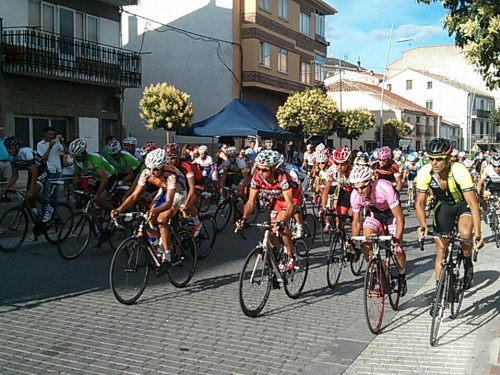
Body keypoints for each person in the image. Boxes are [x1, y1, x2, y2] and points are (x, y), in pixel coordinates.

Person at [415, 138, 484, 314]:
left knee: (465, 232)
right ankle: (440, 293)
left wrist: (479, 233)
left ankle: (467, 261)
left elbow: (474, 204)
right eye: (431, 158)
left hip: (463, 204)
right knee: (441, 250)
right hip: (444, 205)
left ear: (448, 158)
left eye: (438, 159)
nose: (434, 163)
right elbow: (419, 204)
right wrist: (423, 225)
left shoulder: (459, 170)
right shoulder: (425, 172)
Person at [112, 148, 187, 264]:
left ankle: (167, 256)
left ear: (162, 167)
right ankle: (157, 244)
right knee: (147, 219)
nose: (152, 172)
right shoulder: (146, 172)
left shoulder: (171, 175)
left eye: (156, 169)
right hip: (164, 190)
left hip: (178, 193)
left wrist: (155, 211)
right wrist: (119, 209)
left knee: (162, 220)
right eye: (150, 168)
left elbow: (168, 202)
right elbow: (134, 196)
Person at [349, 165, 408, 296]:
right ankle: (375, 269)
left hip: (391, 214)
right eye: (356, 188)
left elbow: (399, 217)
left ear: (370, 182)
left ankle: (402, 275)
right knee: (366, 239)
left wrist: (397, 241)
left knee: (396, 250)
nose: (360, 191)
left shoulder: (384, 188)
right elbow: (356, 222)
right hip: (375, 214)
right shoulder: (355, 196)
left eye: (363, 187)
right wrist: (353, 242)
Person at [236, 150, 299, 271]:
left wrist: (283, 221)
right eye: (258, 168)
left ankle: (291, 256)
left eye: (264, 170)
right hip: (277, 199)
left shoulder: (282, 178)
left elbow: (290, 204)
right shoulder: (257, 178)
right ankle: (277, 254)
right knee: (269, 228)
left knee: (280, 223)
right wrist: (243, 218)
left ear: (273, 168)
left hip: (291, 198)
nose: (260, 172)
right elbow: (250, 202)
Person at [0, 136, 54, 222]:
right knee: (28, 198)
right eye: (6, 148)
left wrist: (31, 191)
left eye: (10, 148)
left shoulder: (26, 152)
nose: (8, 150)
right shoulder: (12, 158)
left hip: (42, 170)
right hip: (32, 172)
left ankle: (49, 208)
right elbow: (14, 176)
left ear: (16, 147)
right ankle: (37, 218)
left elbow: (35, 173)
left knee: (33, 192)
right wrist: (6, 188)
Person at [68, 138, 117, 212]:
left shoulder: (94, 159)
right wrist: (71, 188)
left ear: (84, 153)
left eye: (77, 156)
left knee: (99, 199)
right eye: (74, 156)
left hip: (110, 178)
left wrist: (97, 195)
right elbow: (77, 176)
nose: (76, 159)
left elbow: (104, 180)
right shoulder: (76, 161)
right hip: (98, 179)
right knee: (90, 200)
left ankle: (115, 214)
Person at [165, 143, 202, 236]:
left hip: (194, 186)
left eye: (172, 158)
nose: (170, 161)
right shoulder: (166, 166)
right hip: (180, 188)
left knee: (187, 204)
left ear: (177, 156)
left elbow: (192, 188)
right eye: (167, 158)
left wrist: (185, 204)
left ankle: (197, 222)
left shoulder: (186, 166)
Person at [37, 127, 67, 205]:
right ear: (45, 134)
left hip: (58, 170)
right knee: (47, 194)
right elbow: (43, 158)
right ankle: (45, 213)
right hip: (48, 171)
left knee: (55, 196)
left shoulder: (56, 143)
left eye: (53, 135)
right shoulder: (40, 144)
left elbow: (66, 152)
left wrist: (63, 143)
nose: (52, 136)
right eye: (50, 134)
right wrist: (50, 147)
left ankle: (53, 213)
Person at [0, 125, 12, 201]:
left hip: (7, 162)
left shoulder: (7, 140)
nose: (1, 132)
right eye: (0, 130)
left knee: (5, 180)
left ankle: (4, 195)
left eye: (2, 130)